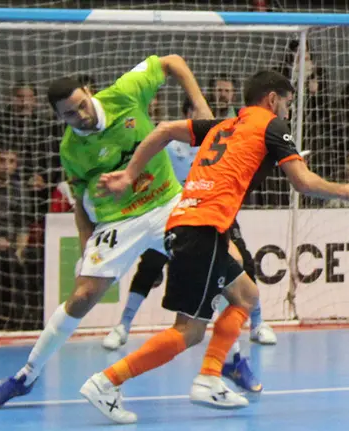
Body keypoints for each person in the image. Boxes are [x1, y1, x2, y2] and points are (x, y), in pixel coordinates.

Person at [81, 70, 349, 423]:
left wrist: (129, 174)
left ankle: (210, 376)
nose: (288, 111)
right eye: (287, 103)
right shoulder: (272, 125)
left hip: (194, 223)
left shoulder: (224, 125)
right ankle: (107, 382)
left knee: (246, 295)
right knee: (189, 331)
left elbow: (164, 130)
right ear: (272, 99)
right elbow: (302, 182)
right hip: (201, 228)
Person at [0, 54, 213, 408]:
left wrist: (200, 107)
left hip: (168, 202)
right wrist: (85, 245)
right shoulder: (71, 150)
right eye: (70, 114)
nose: (81, 115)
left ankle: (223, 366)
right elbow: (79, 202)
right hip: (118, 221)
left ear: (89, 93)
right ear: (59, 118)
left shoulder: (125, 92)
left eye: (82, 105)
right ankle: (26, 375)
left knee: (233, 277)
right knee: (83, 295)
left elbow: (173, 62)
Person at [101, 97, 278, 349]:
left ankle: (258, 324)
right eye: (197, 111)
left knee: (243, 260)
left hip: (215, 209)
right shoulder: (171, 145)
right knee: (150, 263)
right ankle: (123, 326)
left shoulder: (224, 139)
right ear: (187, 115)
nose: (204, 115)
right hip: (179, 211)